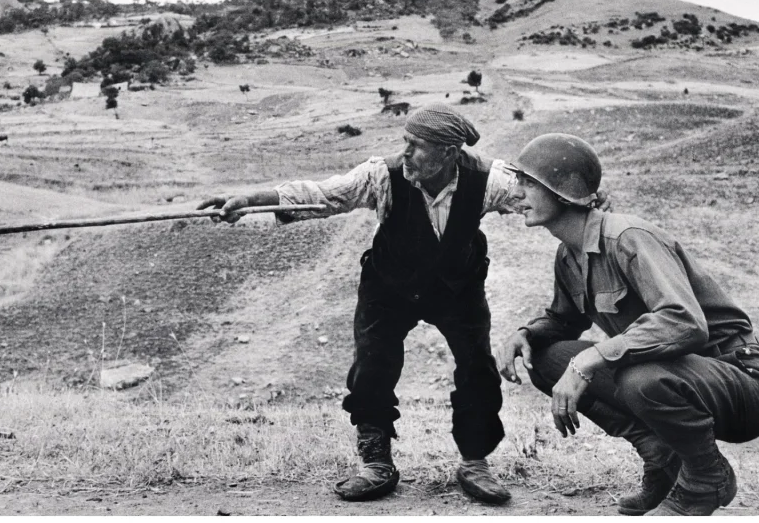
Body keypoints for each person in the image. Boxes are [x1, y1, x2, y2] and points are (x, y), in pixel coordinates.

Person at [199, 104, 603, 505]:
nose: (405, 153)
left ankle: (474, 462)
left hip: (456, 288)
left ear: (449, 152)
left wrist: (587, 201)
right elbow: (321, 196)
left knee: (477, 368)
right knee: (372, 366)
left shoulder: (488, 179)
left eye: (417, 146)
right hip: (389, 287)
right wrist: (251, 200)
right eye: (404, 143)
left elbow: (541, 196)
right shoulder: (383, 175)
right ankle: (377, 464)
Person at [495, 133, 759, 516]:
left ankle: (705, 479)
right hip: (676, 380)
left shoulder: (628, 237)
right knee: (547, 358)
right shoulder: (569, 256)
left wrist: (592, 360)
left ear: (562, 192)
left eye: (528, 183)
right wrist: (525, 335)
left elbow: (684, 322)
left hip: (742, 383)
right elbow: (563, 321)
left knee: (640, 378)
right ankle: (663, 459)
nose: (516, 194)